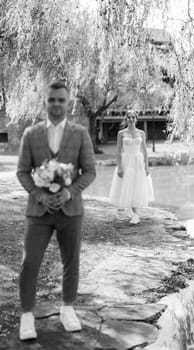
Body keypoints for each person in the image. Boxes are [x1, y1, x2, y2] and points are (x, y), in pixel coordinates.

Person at [16, 80, 96, 340]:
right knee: (30, 261)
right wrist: (39, 195)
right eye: (52, 100)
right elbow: (22, 171)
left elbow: (90, 171)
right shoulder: (31, 134)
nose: (57, 104)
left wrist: (69, 191)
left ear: (68, 102)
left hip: (70, 211)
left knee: (71, 261)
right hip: (38, 212)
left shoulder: (80, 133)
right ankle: (27, 315)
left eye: (61, 100)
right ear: (45, 102)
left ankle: (68, 309)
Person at [109, 109, 154, 224]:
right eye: (129, 117)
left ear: (136, 119)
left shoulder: (141, 133)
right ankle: (133, 212)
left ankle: (136, 214)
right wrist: (119, 167)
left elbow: (144, 151)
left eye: (133, 117)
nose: (131, 119)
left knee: (137, 186)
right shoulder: (121, 133)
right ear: (126, 119)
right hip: (126, 161)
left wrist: (147, 167)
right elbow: (118, 151)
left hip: (138, 162)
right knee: (127, 186)